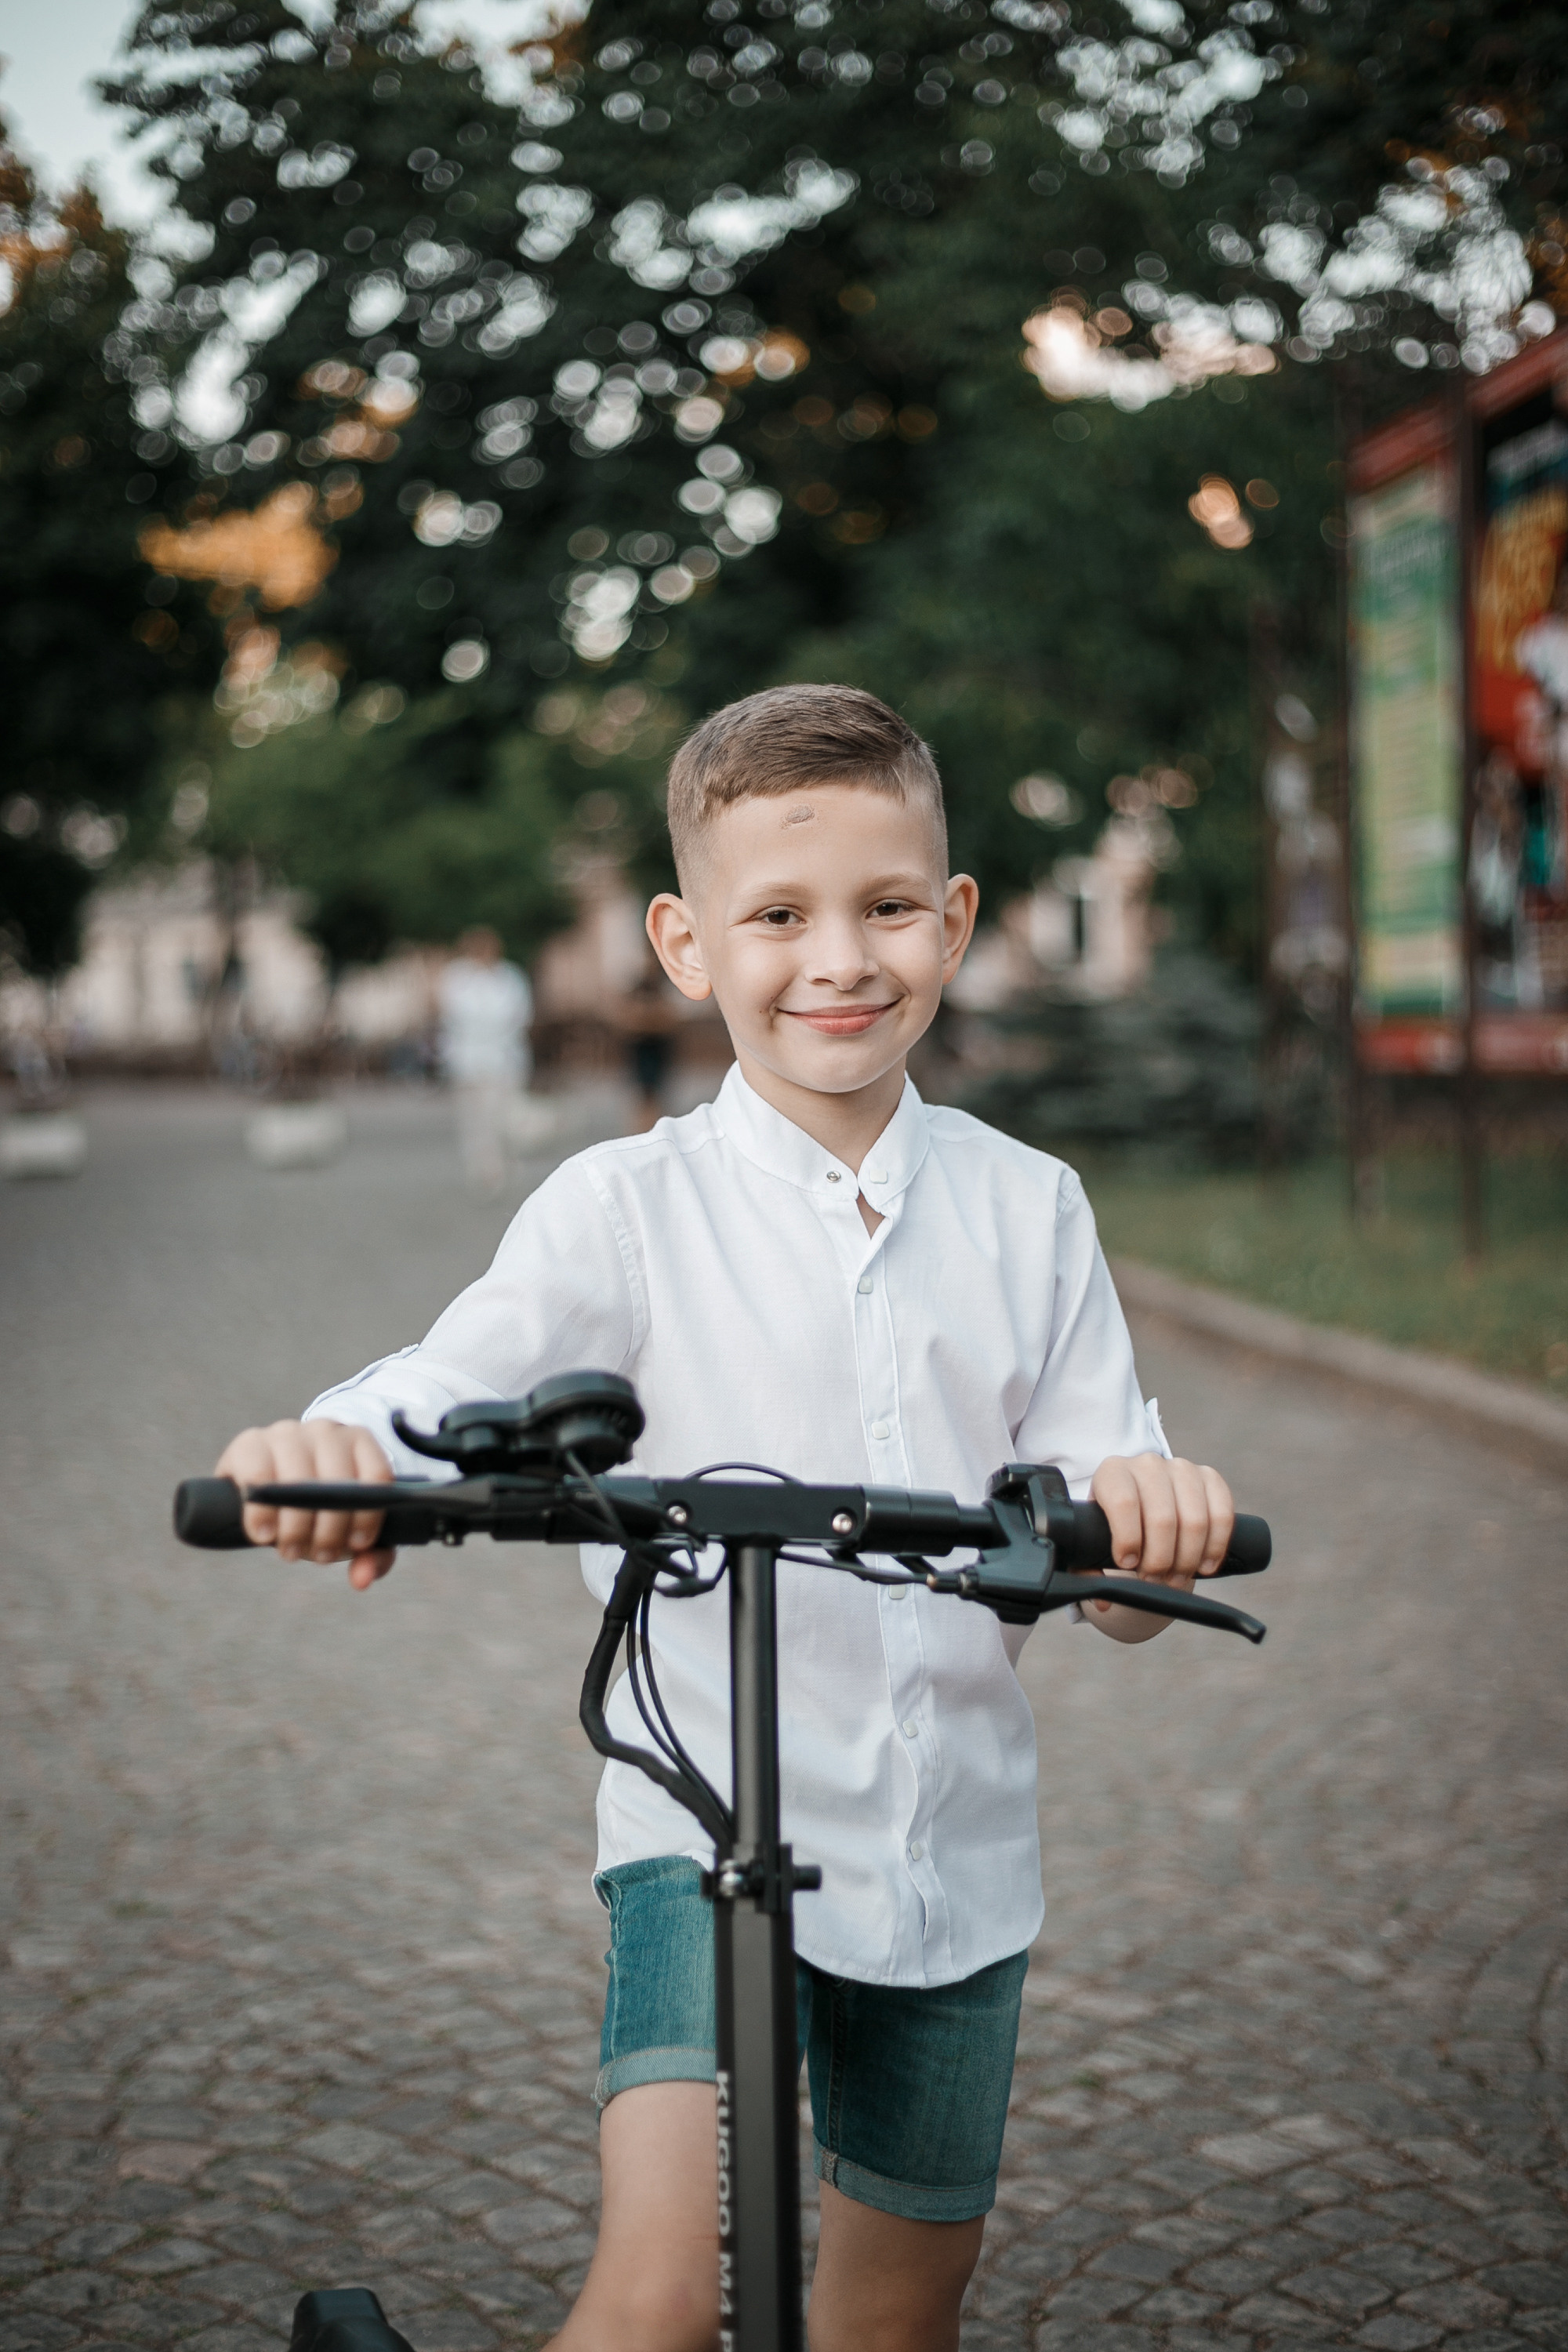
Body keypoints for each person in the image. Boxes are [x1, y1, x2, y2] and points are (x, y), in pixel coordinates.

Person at [216, 686, 1240, 2352]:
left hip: (952, 1852)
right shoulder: (625, 1209)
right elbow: (447, 1385)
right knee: (659, 2301)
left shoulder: (1029, 1209)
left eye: (886, 908)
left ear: (954, 920)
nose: (838, 960)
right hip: (698, 1830)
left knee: (890, 2325)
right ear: (687, 945)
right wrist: (335, 1451)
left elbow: (1110, 1553)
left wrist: (1149, 1509)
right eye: (778, 917)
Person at [437, 926, 533, 1197]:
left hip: (504, 1058)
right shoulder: (457, 977)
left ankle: (506, 1164)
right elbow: (453, 1014)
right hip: (468, 1059)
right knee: (474, 1118)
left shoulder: (510, 977)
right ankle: (482, 1169)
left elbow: (519, 1015)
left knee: (505, 1116)